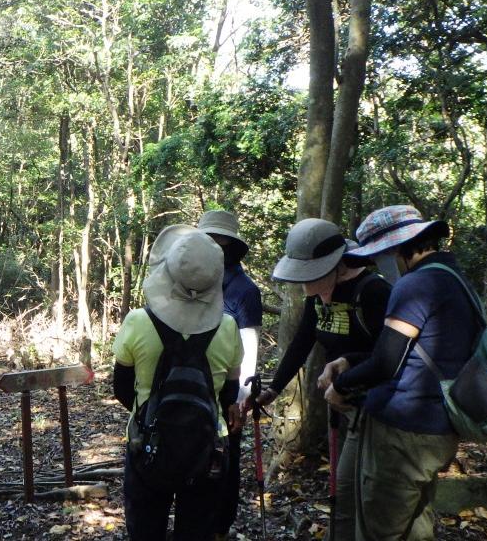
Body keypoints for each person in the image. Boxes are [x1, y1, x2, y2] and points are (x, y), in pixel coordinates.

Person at [322, 206, 479, 541]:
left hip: (402, 434)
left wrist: (340, 386)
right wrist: (350, 360)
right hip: (439, 429)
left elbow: (386, 363)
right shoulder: (453, 278)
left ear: (397, 250)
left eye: (381, 256)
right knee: (415, 527)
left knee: (380, 530)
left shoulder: (416, 284)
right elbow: (410, 350)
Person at [249, 218, 391, 541]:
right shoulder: (317, 295)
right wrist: (274, 387)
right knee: (342, 493)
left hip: (376, 407)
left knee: (360, 492)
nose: (305, 284)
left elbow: (392, 354)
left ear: (338, 265)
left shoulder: (373, 292)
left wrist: (348, 363)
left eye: (310, 274)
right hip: (339, 404)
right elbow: (303, 340)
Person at [113, 225, 244, 541]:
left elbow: (121, 388)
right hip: (207, 449)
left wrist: (157, 414)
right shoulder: (227, 327)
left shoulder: (137, 321)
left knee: (146, 530)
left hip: (148, 446)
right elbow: (228, 394)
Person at [196, 210, 262, 541]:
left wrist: (241, 400)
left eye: (216, 243)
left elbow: (248, 346)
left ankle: (220, 528)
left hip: (227, 392)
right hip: (193, 388)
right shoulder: (197, 282)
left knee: (226, 461)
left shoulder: (243, 290)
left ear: (230, 248)